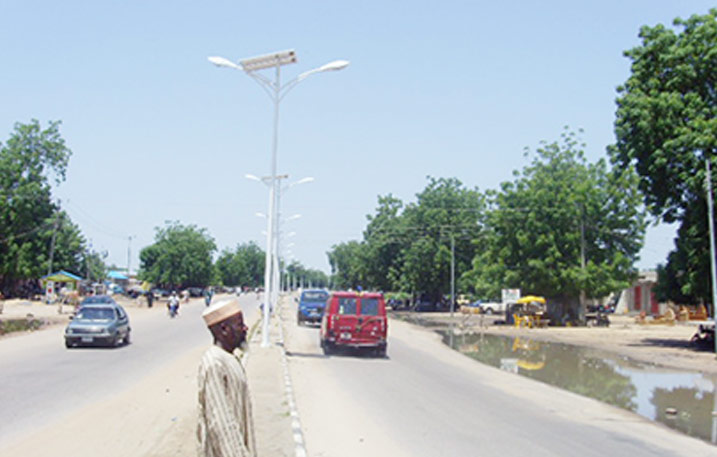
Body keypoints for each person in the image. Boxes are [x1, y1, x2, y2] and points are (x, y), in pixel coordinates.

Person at [197, 298, 256, 457]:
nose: (245, 328)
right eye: (239, 324)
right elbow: (221, 423)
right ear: (224, 329)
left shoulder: (229, 358)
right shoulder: (215, 363)